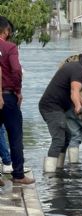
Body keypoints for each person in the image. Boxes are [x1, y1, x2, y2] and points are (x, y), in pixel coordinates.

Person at [39, 47, 82, 173]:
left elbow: (78, 93)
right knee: (59, 138)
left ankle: (58, 168)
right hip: (51, 107)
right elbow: (74, 92)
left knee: (67, 135)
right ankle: (49, 175)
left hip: (56, 107)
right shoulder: (79, 71)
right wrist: (78, 107)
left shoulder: (76, 67)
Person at [0, 16, 34, 184]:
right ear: (5, 30)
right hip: (8, 96)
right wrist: (17, 91)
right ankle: (18, 175)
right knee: (15, 135)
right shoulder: (10, 47)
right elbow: (16, 70)